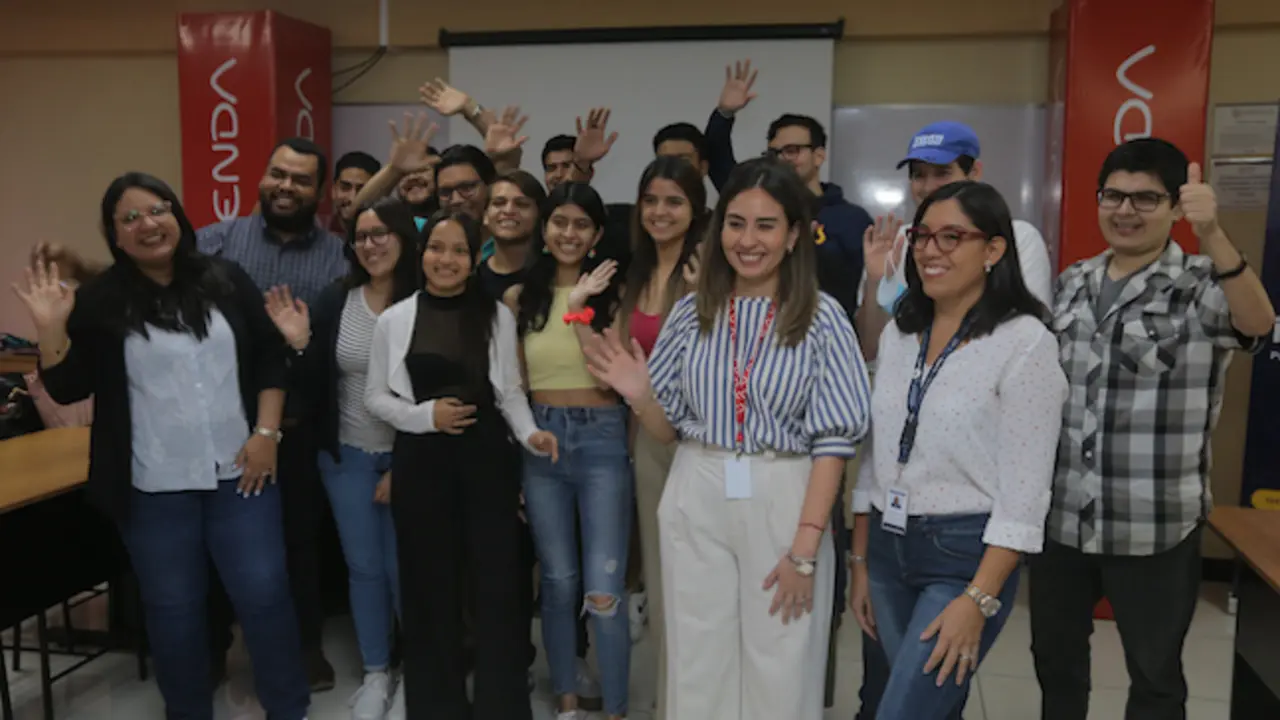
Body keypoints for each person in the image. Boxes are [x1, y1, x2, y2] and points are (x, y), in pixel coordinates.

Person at [32, 136, 351, 691]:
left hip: (244, 471)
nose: (148, 223)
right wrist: (49, 327)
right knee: (175, 613)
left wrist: (266, 433)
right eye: (130, 217)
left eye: (157, 210)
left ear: (177, 216)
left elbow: (270, 358)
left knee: (266, 594)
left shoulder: (224, 279)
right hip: (152, 487)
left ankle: (287, 705)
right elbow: (65, 385)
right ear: (115, 232)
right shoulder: (105, 300)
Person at [583, 157, 872, 720]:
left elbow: (835, 445)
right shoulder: (692, 315)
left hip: (785, 492)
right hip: (698, 483)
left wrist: (806, 551)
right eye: (736, 223)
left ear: (793, 236)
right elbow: (668, 431)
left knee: (780, 661)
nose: (748, 240)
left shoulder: (822, 318)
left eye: (766, 225)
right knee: (696, 657)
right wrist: (640, 394)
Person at [1030, 138, 1276, 720]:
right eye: (1114, 195)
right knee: (1056, 665)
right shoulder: (1073, 282)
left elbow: (1258, 324)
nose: (1126, 210)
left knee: (1155, 675)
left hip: (1155, 523)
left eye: (1146, 198)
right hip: (1063, 518)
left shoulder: (1200, 282)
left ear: (1173, 208)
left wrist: (1212, 233)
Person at [847, 181, 1067, 719]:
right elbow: (878, 454)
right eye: (923, 235)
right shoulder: (904, 330)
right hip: (885, 545)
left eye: (952, 237)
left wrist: (979, 599)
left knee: (903, 711)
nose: (929, 250)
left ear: (993, 251)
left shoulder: (1025, 342)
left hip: (962, 556)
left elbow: (1024, 494)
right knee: (931, 709)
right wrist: (859, 559)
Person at [365, 209, 558, 720]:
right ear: (421, 253)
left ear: (476, 260)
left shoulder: (496, 314)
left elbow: (510, 394)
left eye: (458, 251)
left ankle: (501, 706)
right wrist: (425, 416)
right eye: (436, 248)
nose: (445, 260)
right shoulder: (394, 318)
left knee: (496, 585)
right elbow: (375, 399)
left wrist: (530, 433)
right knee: (429, 587)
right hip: (422, 462)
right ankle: (435, 706)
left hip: (486, 461)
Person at [264, 197, 425, 720]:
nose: (371, 244)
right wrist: (302, 344)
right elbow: (316, 389)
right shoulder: (338, 299)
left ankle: (416, 676)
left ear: (403, 237)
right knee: (364, 567)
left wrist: (406, 464)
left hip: (413, 457)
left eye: (381, 233)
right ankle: (377, 672)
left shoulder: (429, 300)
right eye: (361, 235)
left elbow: (438, 389)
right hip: (348, 455)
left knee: (408, 568)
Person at [505, 182, 631, 720]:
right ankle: (567, 701)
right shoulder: (518, 298)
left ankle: (619, 707)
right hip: (541, 438)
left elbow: (611, 375)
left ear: (598, 235)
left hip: (601, 435)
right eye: (560, 222)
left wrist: (579, 308)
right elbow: (512, 385)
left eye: (582, 224)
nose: (569, 233)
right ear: (544, 227)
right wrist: (520, 452)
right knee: (557, 583)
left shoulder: (617, 294)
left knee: (603, 592)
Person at [611, 155, 707, 720]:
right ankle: (670, 703)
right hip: (646, 442)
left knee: (700, 584)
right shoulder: (636, 274)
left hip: (699, 442)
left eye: (674, 201)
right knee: (663, 581)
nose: (660, 211)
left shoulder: (711, 270)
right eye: (651, 200)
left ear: (695, 210)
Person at [856, 121, 1054, 363]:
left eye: (942, 173)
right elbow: (870, 350)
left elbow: (1026, 341)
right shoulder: (896, 242)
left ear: (974, 173)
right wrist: (876, 281)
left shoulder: (1018, 237)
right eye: (919, 175)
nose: (929, 187)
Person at [331, 151, 383, 235]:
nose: (353, 198)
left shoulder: (388, 235)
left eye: (362, 190)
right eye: (345, 188)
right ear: (333, 190)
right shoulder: (320, 233)